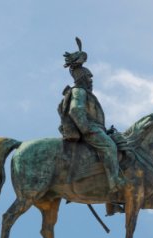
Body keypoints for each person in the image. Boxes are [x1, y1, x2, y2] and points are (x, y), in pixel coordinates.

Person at [58, 38, 126, 194]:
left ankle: (112, 200)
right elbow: (76, 110)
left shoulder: (86, 94)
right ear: (82, 78)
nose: (91, 80)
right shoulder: (79, 92)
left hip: (96, 129)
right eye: (89, 77)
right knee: (109, 147)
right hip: (88, 130)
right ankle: (114, 182)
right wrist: (86, 128)